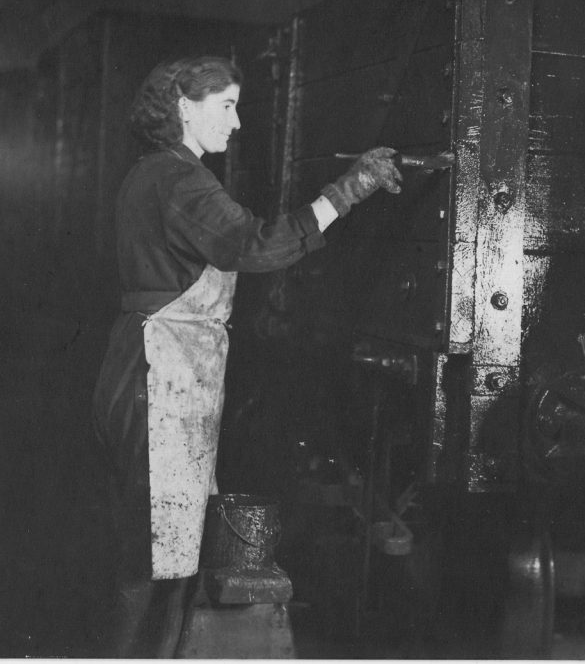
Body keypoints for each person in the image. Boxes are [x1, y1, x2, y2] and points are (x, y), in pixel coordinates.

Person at [91, 55, 403, 657]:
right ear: (184, 105)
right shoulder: (180, 181)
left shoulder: (150, 174)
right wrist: (348, 191)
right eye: (227, 105)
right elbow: (257, 245)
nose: (236, 124)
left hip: (151, 373)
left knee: (157, 554)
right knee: (156, 564)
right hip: (159, 380)